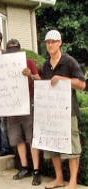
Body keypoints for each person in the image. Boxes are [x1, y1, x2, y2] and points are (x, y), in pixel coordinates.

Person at [41, 30, 85, 189]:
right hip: (52, 114)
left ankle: (72, 182)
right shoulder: (45, 65)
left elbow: (82, 84)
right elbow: (44, 86)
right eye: (47, 42)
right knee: (53, 146)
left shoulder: (70, 61)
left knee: (72, 147)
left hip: (69, 112)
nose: (50, 44)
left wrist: (62, 79)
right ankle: (59, 179)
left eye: (53, 41)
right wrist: (32, 77)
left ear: (60, 43)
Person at [5, 39, 41, 186]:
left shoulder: (29, 62)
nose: (13, 52)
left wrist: (30, 75)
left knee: (31, 137)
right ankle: (25, 167)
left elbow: (39, 78)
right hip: (12, 106)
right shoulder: (4, 65)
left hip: (27, 103)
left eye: (15, 49)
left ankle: (37, 170)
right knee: (18, 138)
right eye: (10, 50)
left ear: (20, 50)